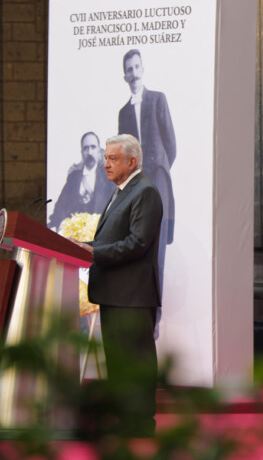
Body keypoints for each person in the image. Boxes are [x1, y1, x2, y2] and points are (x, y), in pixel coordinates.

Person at [75, 134, 162, 437]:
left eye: (112, 158)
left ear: (132, 161)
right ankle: (125, 421)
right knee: (118, 362)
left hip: (133, 296)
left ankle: (140, 425)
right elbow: (111, 240)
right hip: (115, 294)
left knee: (135, 361)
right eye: (106, 157)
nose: (105, 163)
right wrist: (81, 246)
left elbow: (137, 243)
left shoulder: (145, 192)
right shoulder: (123, 190)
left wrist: (94, 252)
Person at [117, 48, 176, 324]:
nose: (134, 72)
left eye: (137, 66)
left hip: (159, 184)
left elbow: (171, 144)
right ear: (125, 74)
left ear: (142, 69)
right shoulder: (123, 113)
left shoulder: (157, 99)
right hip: (137, 190)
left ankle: (157, 311)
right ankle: (141, 308)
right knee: (140, 246)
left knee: (159, 249)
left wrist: (159, 169)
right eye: (129, 68)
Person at [48, 131, 114, 230]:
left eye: (93, 147)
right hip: (74, 230)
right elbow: (60, 206)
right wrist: (63, 225)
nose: (90, 152)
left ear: (99, 151)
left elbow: (115, 207)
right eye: (86, 148)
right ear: (81, 152)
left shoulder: (108, 176)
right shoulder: (73, 177)